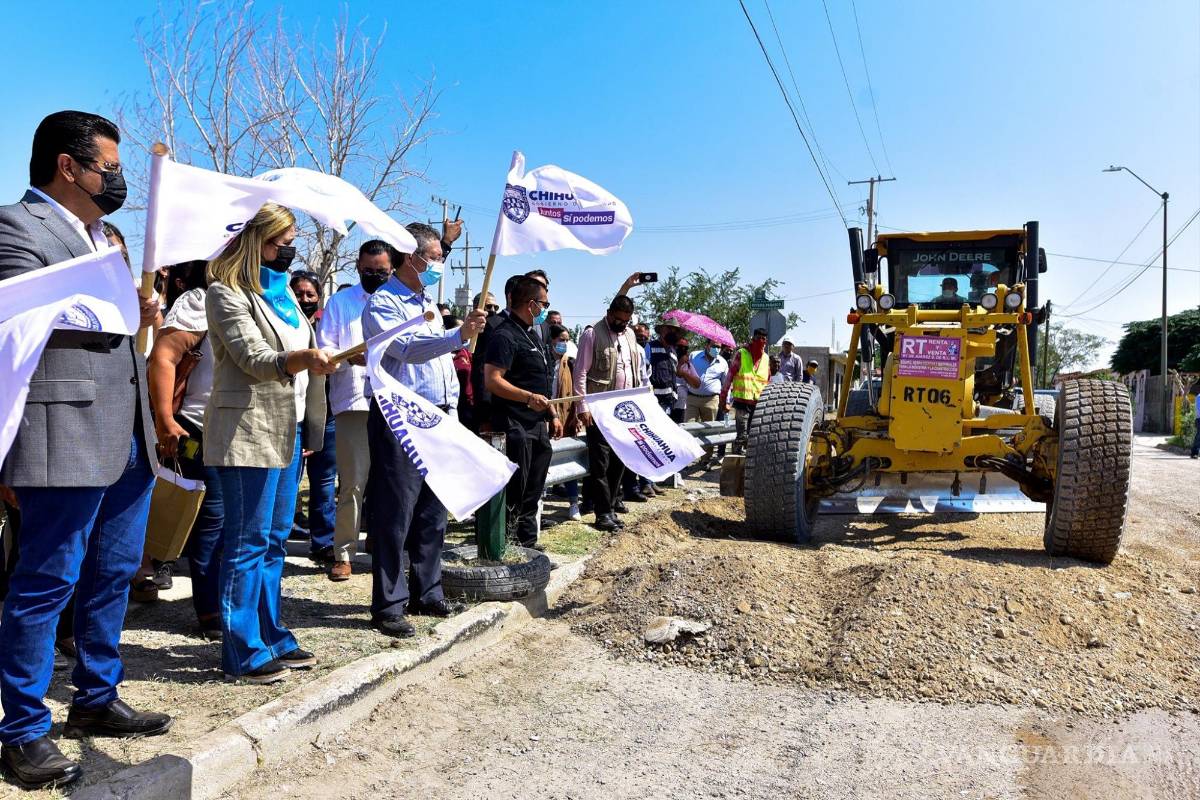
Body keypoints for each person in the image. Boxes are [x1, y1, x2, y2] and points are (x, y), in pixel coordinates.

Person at [0, 110, 167, 791]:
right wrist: (115, 306)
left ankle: (96, 697)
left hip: (125, 433)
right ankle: (22, 731)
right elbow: (17, 314)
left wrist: (138, 312)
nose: (118, 180)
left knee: (114, 570)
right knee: (45, 583)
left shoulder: (106, 236)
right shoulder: (16, 226)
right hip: (61, 429)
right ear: (68, 167)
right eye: (110, 167)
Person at [205, 202, 333, 684]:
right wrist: (303, 357)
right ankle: (240, 649)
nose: (289, 251)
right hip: (249, 432)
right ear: (252, 241)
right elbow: (253, 358)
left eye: (292, 242)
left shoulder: (284, 296)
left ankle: (269, 632)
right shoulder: (226, 293)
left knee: (276, 539)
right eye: (280, 243)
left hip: (289, 427)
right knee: (246, 541)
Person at [362, 223, 486, 637]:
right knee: (396, 512)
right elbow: (407, 350)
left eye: (438, 256)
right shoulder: (384, 304)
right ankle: (389, 604)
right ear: (407, 257)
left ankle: (427, 591)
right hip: (401, 418)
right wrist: (457, 336)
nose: (437, 264)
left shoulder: (426, 300)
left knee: (433, 511)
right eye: (432, 257)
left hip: (439, 417)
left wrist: (458, 337)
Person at [147, 261, 224, 640]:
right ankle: (210, 610)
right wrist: (164, 419)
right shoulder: (200, 300)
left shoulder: (263, 297)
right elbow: (164, 356)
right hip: (199, 428)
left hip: (246, 432)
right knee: (209, 520)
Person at [315, 240, 392, 581]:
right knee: (353, 483)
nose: (374, 276)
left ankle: (386, 548)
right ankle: (344, 552)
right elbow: (323, 349)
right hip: (354, 402)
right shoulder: (340, 303)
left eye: (381, 271)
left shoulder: (400, 303)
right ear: (358, 268)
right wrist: (349, 356)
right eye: (368, 271)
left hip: (393, 402)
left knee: (392, 482)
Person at [485, 277, 562, 548]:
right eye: (544, 304)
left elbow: (541, 380)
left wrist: (552, 414)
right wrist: (527, 398)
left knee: (534, 488)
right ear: (531, 304)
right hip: (514, 423)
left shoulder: (534, 334)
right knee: (517, 489)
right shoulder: (504, 335)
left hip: (537, 424)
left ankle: (527, 543)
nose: (545, 309)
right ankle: (509, 544)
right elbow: (493, 380)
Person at [573, 295, 643, 532]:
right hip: (600, 410)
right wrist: (582, 406)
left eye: (626, 320)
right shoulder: (592, 334)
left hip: (625, 412)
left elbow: (636, 372)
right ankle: (602, 513)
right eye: (618, 319)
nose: (621, 324)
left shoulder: (631, 335)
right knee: (601, 464)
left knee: (619, 462)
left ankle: (611, 507)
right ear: (609, 313)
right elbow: (580, 372)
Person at [290, 271, 337, 563]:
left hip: (325, 416)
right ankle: (278, 538)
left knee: (323, 482)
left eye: (310, 295)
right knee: (289, 482)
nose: (304, 299)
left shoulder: (326, 328)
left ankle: (323, 543)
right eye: (299, 294)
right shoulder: (286, 325)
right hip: (291, 417)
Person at [548, 324, 582, 520]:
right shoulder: (543, 361)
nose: (564, 343)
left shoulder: (569, 363)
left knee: (569, 461)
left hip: (566, 418)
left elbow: (577, 392)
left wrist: (576, 415)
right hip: (546, 418)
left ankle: (573, 502)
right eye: (561, 339)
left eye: (567, 340)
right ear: (552, 340)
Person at [724, 328, 771, 454]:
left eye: (763, 339)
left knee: (754, 436)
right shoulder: (742, 354)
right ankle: (736, 461)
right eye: (758, 338)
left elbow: (768, 382)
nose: (761, 341)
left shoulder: (766, 359)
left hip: (758, 404)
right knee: (742, 436)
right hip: (742, 403)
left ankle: (749, 463)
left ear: (766, 342)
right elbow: (729, 377)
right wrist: (724, 400)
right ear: (753, 338)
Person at [687, 339, 728, 469]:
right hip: (692, 398)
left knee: (708, 431)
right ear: (707, 345)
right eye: (714, 346)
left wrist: (726, 401)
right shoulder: (694, 356)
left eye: (719, 347)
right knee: (688, 428)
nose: (716, 349)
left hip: (711, 400)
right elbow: (685, 373)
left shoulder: (722, 362)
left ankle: (705, 459)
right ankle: (686, 459)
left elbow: (726, 384)